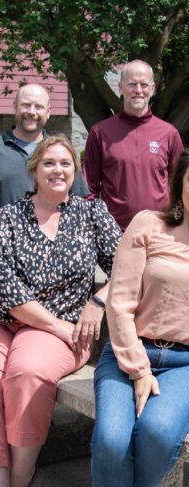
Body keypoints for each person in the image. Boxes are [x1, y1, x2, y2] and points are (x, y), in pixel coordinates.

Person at [0, 135, 120, 486]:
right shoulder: (7, 217)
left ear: (75, 171)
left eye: (66, 163)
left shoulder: (92, 213)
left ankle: (21, 475)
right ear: (34, 170)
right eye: (49, 163)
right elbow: (6, 286)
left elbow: (127, 265)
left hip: (61, 327)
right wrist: (57, 327)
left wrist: (97, 301)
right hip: (4, 321)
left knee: (28, 372)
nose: (57, 170)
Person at [90, 152, 189, 486]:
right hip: (127, 353)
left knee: (158, 433)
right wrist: (139, 370)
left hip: (185, 365)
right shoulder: (149, 224)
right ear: (181, 186)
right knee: (111, 441)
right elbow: (119, 301)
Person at [0, 84, 90, 254]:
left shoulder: (61, 152)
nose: (32, 111)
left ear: (48, 111)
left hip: (55, 256)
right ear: (15, 107)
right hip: (6, 256)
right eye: (25, 105)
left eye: (39, 106)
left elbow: (81, 203)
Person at [84, 60, 185, 230]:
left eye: (144, 84)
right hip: (114, 233)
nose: (138, 90)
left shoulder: (169, 133)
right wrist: (94, 226)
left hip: (159, 232)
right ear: (121, 88)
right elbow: (88, 189)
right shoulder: (100, 133)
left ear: (152, 89)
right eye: (131, 84)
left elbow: (182, 185)